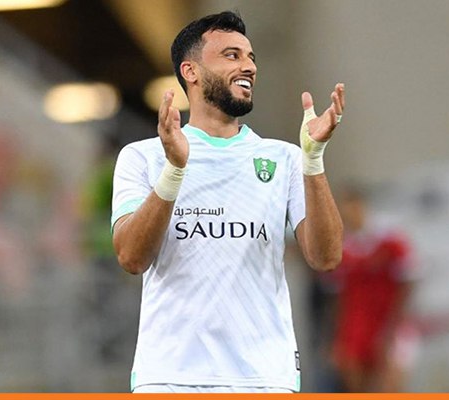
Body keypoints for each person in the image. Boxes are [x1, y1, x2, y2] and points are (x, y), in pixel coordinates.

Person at [110, 11, 345, 393]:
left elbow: (326, 257)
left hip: (265, 378)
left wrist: (313, 159)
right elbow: (131, 258)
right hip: (171, 377)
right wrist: (174, 171)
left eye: (251, 57)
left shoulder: (285, 158)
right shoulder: (144, 157)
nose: (249, 66)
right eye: (232, 55)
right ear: (191, 71)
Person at [331, 187, 414, 392]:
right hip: (355, 326)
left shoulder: (390, 239)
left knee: (389, 384)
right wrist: (336, 335)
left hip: (388, 324)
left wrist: (394, 325)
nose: (348, 215)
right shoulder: (341, 248)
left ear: (362, 206)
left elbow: (408, 281)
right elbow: (338, 296)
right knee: (357, 384)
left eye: (352, 208)